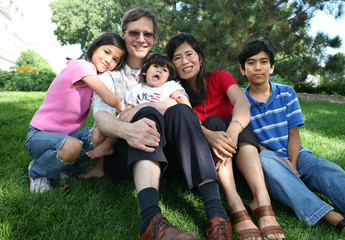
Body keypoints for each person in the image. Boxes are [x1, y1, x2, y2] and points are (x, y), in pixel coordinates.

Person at [87, 7, 233, 240]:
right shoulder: (110, 76)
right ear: (123, 34)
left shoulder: (168, 78)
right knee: (147, 115)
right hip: (125, 156)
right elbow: (102, 120)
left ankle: (217, 215)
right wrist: (129, 129)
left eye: (148, 34)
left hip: (168, 156)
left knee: (178, 112)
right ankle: (151, 221)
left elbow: (184, 107)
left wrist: (151, 107)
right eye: (134, 32)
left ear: (155, 39)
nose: (141, 39)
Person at [166, 32, 285, 240]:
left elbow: (242, 102)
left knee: (234, 120)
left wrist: (233, 132)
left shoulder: (219, 77)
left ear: (200, 58)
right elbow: (186, 124)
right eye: (177, 58)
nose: (185, 61)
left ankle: (262, 200)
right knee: (212, 122)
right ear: (172, 65)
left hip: (239, 153)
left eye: (189, 54)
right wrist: (209, 135)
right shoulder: (175, 91)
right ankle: (234, 202)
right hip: (209, 163)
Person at [239, 39, 345, 240]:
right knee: (267, 160)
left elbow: (294, 134)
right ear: (242, 70)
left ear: (272, 66)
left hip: (297, 154)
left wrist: (293, 165)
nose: (258, 67)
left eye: (263, 61)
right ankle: (335, 218)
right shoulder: (241, 102)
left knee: (326, 169)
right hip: (266, 161)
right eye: (251, 63)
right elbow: (252, 142)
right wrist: (283, 164)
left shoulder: (287, 93)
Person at [26, 32, 127, 193]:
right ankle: (38, 171)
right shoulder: (82, 66)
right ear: (94, 49)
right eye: (106, 52)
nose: (109, 60)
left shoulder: (96, 78)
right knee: (73, 146)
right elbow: (110, 99)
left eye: (115, 59)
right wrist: (125, 109)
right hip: (38, 136)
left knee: (101, 132)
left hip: (64, 139)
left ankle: (62, 167)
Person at [80, 52, 191, 178]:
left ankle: (109, 146)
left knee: (148, 114)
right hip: (137, 125)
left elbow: (180, 97)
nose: (159, 71)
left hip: (160, 127)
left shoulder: (166, 88)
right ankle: (100, 165)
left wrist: (183, 102)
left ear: (168, 77)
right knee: (119, 119)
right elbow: (130, 107)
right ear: (145, 72)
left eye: (164, 70)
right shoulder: (138, 89)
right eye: (156, 67)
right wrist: (124, 114)